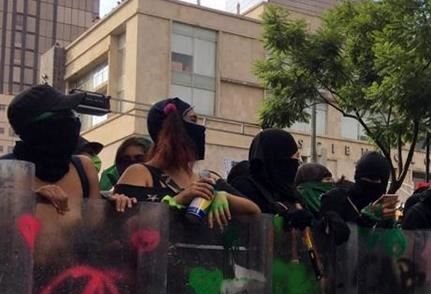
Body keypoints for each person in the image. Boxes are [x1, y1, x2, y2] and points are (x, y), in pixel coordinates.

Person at [115, 97, 259, 228]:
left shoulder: (205, 180)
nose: (200, 128)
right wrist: (179, 200)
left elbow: (254, 211)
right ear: (173, 129)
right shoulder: (140, 173)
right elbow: (123, 226)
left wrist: (222, 196)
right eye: (193, 120)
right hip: (155, 256)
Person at [4, 84, 135, 214]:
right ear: (35, 129)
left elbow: (96, 229)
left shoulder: (83, 168)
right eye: (62, 116)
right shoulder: (6, 172)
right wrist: (27, 200)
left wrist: (115, 207)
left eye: (72, 114)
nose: (72, 121)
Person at [228, 129, 303, 218]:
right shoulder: (244, 188)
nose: (299, 162)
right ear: (279, 157)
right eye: (296, 156)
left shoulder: (290, 191)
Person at [318, 151, 396, 227]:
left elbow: (386, 238)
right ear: (357, 177)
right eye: (366, 179)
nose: (370, 184)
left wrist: (389, 225)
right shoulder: (334, 199)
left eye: (376, 181)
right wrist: (364, 218)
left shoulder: (381, 208)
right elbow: (331, 234)